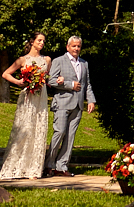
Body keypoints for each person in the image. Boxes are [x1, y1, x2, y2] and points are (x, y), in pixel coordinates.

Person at [0, 32, 52, 179]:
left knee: (37, 130)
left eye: (43, 41)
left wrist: (57, 80)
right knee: (25, 129)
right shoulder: (23, 60)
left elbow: (48, 78)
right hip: (28, 97)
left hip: (41, 98)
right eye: (39, 40)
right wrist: (18, 82)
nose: (42, 43)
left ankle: (33, 169)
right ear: (32, 42)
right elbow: (6, 74)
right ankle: (15, 166)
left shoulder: (46, 60)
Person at [44, 35, 96, 177]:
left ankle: (61, 166)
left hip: (78, 105)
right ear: (68, 47)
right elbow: (51, 81)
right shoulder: (59, 61)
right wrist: (69, 84)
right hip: (62, 103)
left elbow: (87, 84)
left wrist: (91, 100)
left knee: (70, 136)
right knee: (59, 132)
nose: (76, 49)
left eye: (78, 46)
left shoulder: (84, 63)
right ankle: (49, 164)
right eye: (74, 46)